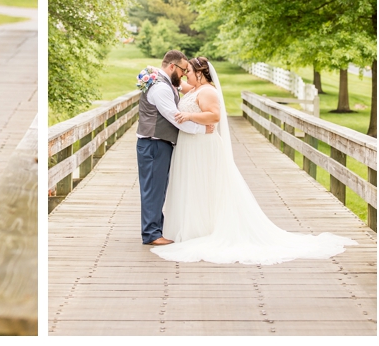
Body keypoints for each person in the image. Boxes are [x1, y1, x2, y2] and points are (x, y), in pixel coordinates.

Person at [152, 57, 355, 264]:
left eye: (189, 71)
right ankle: (190, 228)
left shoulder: (208, 91)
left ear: (200, 73)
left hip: (202, 147)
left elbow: (214, 116)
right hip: (190, 145)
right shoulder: (194, 89)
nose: (186, 74)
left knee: (204, 185)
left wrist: (188, 116)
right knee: (192, 185)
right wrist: (152, 74)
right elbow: (173, 83)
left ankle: (202, 229)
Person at [136, 50, 214, 246]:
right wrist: (202, 129)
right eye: (182, 70)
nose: (183, 74)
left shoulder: (163, 82)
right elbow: (175, 119)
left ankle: (155, 229)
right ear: (172, 67)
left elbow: (187, 88)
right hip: (154, 143)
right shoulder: (161, 88)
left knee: (158, 189)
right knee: (153, 189)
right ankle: (152, 234)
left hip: (157, 142)